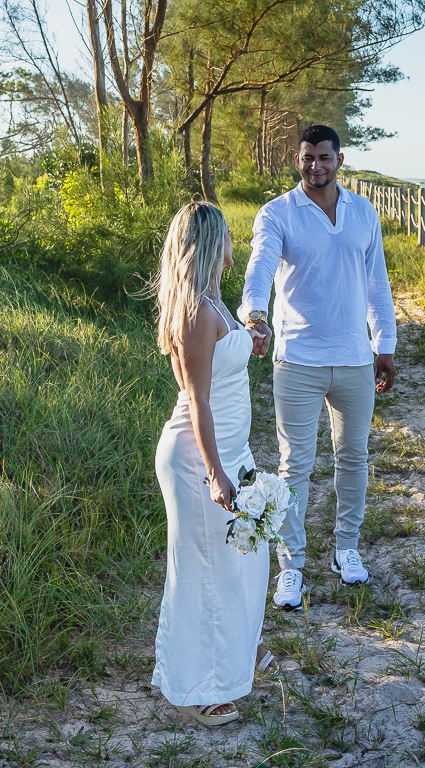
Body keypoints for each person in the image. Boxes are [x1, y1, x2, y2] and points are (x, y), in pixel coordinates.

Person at [240, 124, 397, 611]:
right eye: (308, 158)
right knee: (296, 466)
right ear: (298, 159)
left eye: (324, 158)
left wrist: (384, 342)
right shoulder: (277, 213)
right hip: (298, 360)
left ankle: (346, 550)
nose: (316, 166)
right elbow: (261, 266)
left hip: (353, 357)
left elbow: (377, 284)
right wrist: (255, 314)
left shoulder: (362, 212)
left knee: (354, 457)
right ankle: (291, 568)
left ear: (340, 160)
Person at [152, 202, 272, 726]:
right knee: (204, 568)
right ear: (209, 245)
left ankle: (238, 652)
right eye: (227, 236)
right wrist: (216, 472)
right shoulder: (196, 315)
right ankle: (199, 689)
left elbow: (229, 362)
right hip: (200, 457)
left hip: (231, 450)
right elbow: (197, 401)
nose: (233, 245)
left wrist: (252, 338)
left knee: (243, 559)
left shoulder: (214, 304)